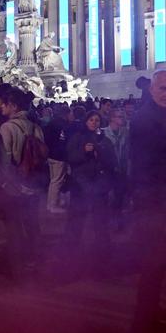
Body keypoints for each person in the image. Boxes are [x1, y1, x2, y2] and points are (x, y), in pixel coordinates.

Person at [130, 70, 166, 332]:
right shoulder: (146, 118)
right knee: (154, 259)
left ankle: (150, 310)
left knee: (159, 258)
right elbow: (147, 163)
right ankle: (145, 318)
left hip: (162, 195)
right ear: (152, 89)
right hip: (154, 198)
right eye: (163, 89)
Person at [0, 86, 47, 278]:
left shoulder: (7, 128)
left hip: (15, 186)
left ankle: (17, 266)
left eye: (4, 104)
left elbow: (5, 161)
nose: (1, 107)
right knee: (33, 225)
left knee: (15, 227)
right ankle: (34, 260)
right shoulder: (36, 127)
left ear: (13, 106)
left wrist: (7, 184)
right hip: (34, 183)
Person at [62, 110, 117, 276]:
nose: (94, 122)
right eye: (92, 120)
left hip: (99, 185)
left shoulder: (104, 140)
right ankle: (71, 253)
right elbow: (70, 157)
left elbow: (112, 161)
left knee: (100, 220)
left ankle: (102, 254)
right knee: (76, 219)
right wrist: (84, 151)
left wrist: (101, 152)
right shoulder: (78, 137)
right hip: (80, 185)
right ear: (86, 121)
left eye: (97, 120)